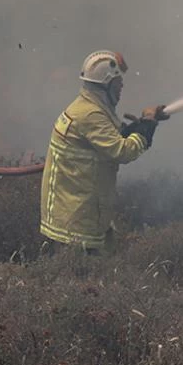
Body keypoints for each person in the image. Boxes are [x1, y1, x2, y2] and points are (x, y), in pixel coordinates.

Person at [39, 50, 169, 253]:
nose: (121, 87)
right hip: (77, 220)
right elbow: (123, 152)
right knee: (79, 269)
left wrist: (140, 126)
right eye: (118, 83)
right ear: (105, 84)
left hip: (76, 212)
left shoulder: (89, 106)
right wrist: (147, 124)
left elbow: (107, 139)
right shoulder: (90, 115)